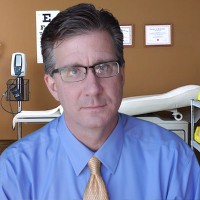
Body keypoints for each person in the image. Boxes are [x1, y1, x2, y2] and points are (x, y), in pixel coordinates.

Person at [0, 3, 199, 200]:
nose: (93, 88)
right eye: (73, 71)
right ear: (53, 86)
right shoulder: (14, 171)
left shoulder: (174, 160)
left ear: (121, 75)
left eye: (103, 67)